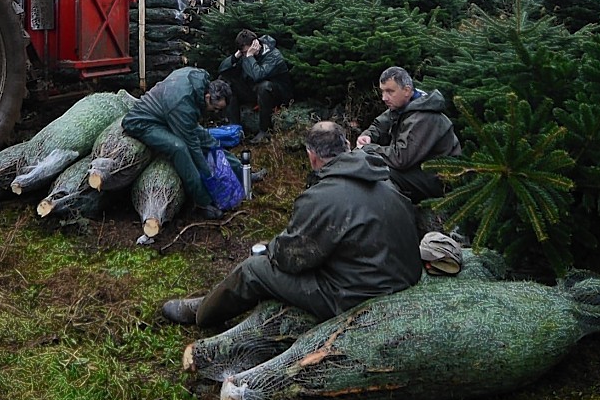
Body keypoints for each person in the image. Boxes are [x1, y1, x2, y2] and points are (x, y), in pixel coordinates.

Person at [160, 120, 421, 329]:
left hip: (356, 295)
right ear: (348, 145)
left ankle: (201, 315)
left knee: (254, 269)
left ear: (312, 156)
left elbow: (291, 259)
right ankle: (208, 301)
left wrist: (270, 248)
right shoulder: (384, 180)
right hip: (400, 278)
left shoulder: (322, 197)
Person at [122, 67, 244, 219]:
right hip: (144, 123)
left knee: (207, 139)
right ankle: (202, 203)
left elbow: (199, 137)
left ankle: (241, 170)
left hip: (168, 115)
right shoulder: (183, 105)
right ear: (207, 97)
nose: (215, 112)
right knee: (179, 149)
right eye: (215, 108)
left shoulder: (200, 78)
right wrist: (209, 175)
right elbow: (193, 147)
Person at [355, 66, 462, 204]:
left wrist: (368, 149)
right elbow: (379, 125)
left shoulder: (425, 116)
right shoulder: (401, 106)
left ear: (406, 90)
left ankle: (398, 214)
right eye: (382, 91)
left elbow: (401, 158)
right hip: (418, 169)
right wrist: (368, 135)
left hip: (440, 178)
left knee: (381, 171)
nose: (384, 98)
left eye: (389, 92)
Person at [217, 29, 293, 143]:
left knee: (264, 86)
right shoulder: (246, 54)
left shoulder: (274, 55)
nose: (245, 55)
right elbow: (222, 70)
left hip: (277, 93)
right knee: (226, 81)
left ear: (255, 44)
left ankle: (265, 131)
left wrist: (249, 56)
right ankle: (234, 129)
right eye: (243, 53)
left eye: (246, 52)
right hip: (254, 90)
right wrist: (235, 57)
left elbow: (258, 75)